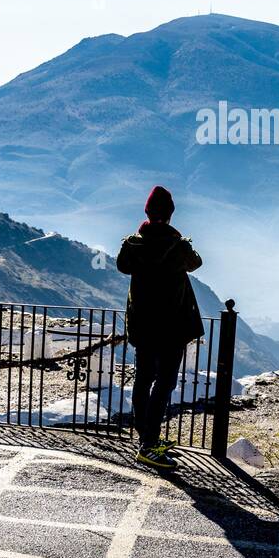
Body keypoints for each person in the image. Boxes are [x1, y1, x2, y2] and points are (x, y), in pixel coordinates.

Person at [116, 185, 204, 470]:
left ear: (147, 212)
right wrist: (179, 238)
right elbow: (196, 263)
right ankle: (149, 445)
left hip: (143, 325)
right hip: (171, 328)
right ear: (169, 214)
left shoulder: (133, 245)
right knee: (165, 382)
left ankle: (145, 436)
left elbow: (122, 266)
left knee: (143, 379)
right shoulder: (178, 246)